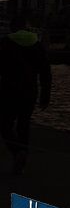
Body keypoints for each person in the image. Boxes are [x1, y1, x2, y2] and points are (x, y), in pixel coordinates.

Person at [0, 14, 51, 174]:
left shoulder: (5, 43)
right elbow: (45, 72)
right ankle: (22, 159)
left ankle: (17, 152)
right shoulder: (36, 44)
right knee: (24, 124)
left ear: (12, 27)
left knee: (5, 124)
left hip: (9, 89)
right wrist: (45, 95)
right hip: (30, 91)